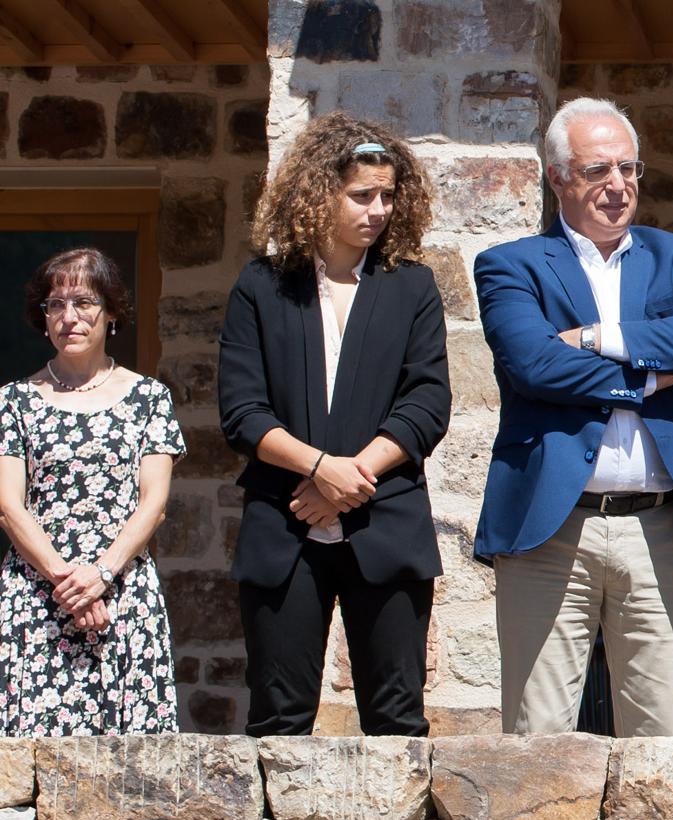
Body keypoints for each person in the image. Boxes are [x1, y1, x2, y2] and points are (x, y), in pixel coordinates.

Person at [474, 97, 673, 738]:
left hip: (659, 527)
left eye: (629, 169)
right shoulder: (512, 264)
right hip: (554, 529)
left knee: (661, 738)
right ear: (558, 177)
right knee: (539, 738)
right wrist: (651, 368)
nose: (618, 186)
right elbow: (534, 367)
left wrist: (592, 338)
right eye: (597, 171)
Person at [218, 113, 450, 737]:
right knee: (279, 719)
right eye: (361, 195)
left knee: (398, 720)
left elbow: (427, 404)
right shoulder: (262, 287)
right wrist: (319, 470)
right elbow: (242, 411)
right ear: (318, 192)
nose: (377, 210)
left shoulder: (413, 289)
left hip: (386, 520)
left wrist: (351, 478)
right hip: (284, 524)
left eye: (387, 196)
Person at [0, 249, 182, 736]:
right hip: (40, 595)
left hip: (122, 592)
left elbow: (155, 503)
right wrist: (72, 587)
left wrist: (101, 575)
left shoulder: (150, 398)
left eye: (84, 302)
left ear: (112, 311)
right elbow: (8, 505)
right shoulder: (14, 401)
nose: (69, 317)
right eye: (54, 305)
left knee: (133, 772)